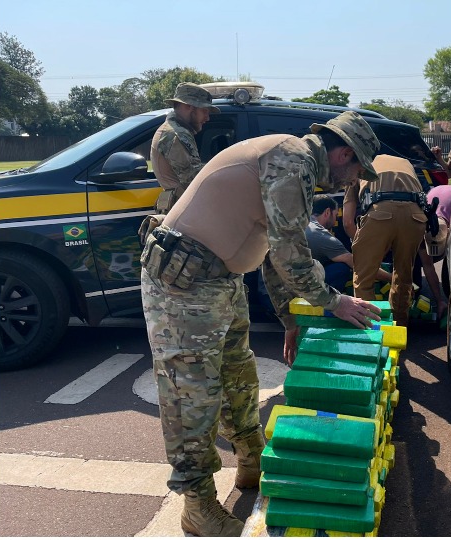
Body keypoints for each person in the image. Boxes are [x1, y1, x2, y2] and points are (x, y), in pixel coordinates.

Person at [139, 111, 383, 536]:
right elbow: (291, 253)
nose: (353, 180)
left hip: (218, 279)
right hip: (185, 284)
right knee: (192, 393)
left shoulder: (292, 160)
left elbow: (273, 249)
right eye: (357, 168)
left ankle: (251, 458)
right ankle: (198, 507)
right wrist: (334, 301)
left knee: (238, 374)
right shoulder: (293, 160)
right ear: (343, 153)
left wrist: (288, 318)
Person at [343, 154, 428, 327]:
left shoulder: (359, 164)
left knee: (363, 279)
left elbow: (347, 222)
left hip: (379, 214)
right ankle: (399, 328)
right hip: (416, 217)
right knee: (403, 276)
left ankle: (371, 331)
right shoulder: (405, 162)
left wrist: (364, 247)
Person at [150, 82, 220, 213]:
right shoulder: (176, 134)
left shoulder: (171, 130)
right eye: (204, 111)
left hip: (180, 209)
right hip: (185, 213)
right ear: (188, 106)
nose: (207, 118)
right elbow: (193, 178)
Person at [306, 194, 391, 293]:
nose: (335, 221)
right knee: (342, 267)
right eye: (336, 215)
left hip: (289, 278)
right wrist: (391, 278)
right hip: (303, 283)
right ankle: (328, 304)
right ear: (327, 212)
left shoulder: (302, 224)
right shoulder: (321, 236)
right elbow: (359, 266)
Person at [417, 184, 451, 320]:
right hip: (435, 192)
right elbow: (428, 266)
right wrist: (439, 300)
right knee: (420, 258)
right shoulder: (420, 226)